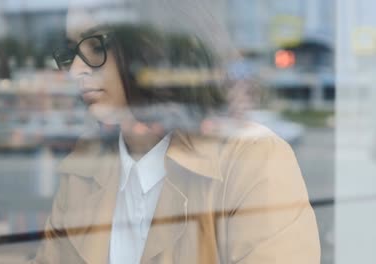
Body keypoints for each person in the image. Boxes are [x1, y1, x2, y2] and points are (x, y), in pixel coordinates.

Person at [32, 0, 320, 263]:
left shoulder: (252, 160)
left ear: (151, 43)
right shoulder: (85, 167)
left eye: (96, 46)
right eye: (71, 52)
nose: (76, 71)